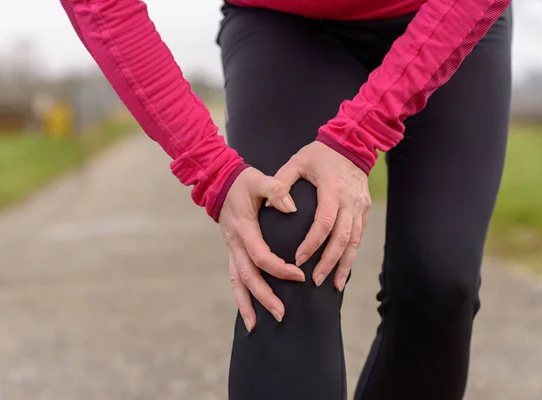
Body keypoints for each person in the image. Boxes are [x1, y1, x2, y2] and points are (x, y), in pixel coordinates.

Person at [60, 0, 513, 398]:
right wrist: (213, 170)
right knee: (287, 246)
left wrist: (359, 135)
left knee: (438, 282)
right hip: (284, 22)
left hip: (443, 15)